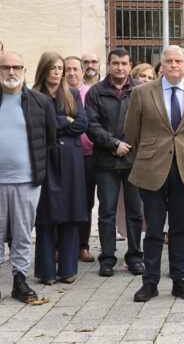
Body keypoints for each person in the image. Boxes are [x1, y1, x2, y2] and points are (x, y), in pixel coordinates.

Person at [125, 45, 184, 303]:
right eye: (169, 61)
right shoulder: (141, 92)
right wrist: (151, 153)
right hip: (152, 168)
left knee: (180, 229)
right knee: (152, 230)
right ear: (161, 65)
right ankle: (149, 283)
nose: (174, 65)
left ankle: (180, 280)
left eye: (178, 61)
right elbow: (132, 131)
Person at [0, 51, 57, 302]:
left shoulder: (40, 102)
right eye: (5, 68)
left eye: (17, 67)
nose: (11, 72)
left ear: (25, 70)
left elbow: (50, 139)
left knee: (23, 233)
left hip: (26, 181)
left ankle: (19, 281)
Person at [85, 48, 144, 278]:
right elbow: (92, 125)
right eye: (116, 63)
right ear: (108, 65)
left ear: (130, 65)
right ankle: (107, 259)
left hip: (133, 160)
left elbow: (146, 122)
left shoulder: (140, 90)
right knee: (107, 212)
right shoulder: (96, 92)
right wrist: (114, 144)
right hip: (105, 161)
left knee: (134, 211)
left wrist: (127, 144)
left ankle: (135, 256)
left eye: (124, 63)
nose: (120, 67)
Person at [32, 52, 89, 285]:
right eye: (53, 68)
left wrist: (59, 124)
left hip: (72, 160)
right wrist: (66, 120)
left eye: (60, 68)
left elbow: (83, 124)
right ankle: (46, 272)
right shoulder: (34, 96)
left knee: (72, 213)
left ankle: (68, 269)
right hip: (45, 158)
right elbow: (38, 126)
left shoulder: (73, 94)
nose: (58, 72)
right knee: (46, 214)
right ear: (44, 70)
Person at [64, 56, 97, 263]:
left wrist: (72, 122)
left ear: (83, 71)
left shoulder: (90, 94)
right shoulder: (58, 95)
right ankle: (62, 245)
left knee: (86, 202)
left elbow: (87, 123)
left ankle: (83, 245)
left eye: (76, 68)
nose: (72, 73)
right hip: (64, 156)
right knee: (63, 201)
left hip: (88, 156)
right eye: (68, 69)